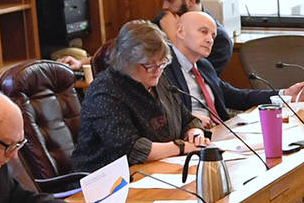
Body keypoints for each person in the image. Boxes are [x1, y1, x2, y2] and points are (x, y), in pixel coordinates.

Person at [73, 20, 208, 172]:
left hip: (158, 169)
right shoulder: (105, 92)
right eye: (149, 66)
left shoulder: (157, 78)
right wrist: (182, 146)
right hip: (107, 180)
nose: (157, 70)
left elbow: (186, 119)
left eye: (162, 63)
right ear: (127, 62)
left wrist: (195, 133)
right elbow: (132, 149)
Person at [164, 11, 304, 127]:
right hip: (190, 138)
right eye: (203, 31)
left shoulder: (203, 65)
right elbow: (158, 111)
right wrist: (189, 119)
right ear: (180, 31)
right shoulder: (162, 67)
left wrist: (283, 94)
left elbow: (234, 96)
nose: (210, 40)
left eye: (213, 35)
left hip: (221, 132)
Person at [153, 0, 233, 71]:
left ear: (190, 1)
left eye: (170, 0)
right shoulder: (162, 21)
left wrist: (173, 36)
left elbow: (195, 78)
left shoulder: (220, 41)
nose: (164, 6)